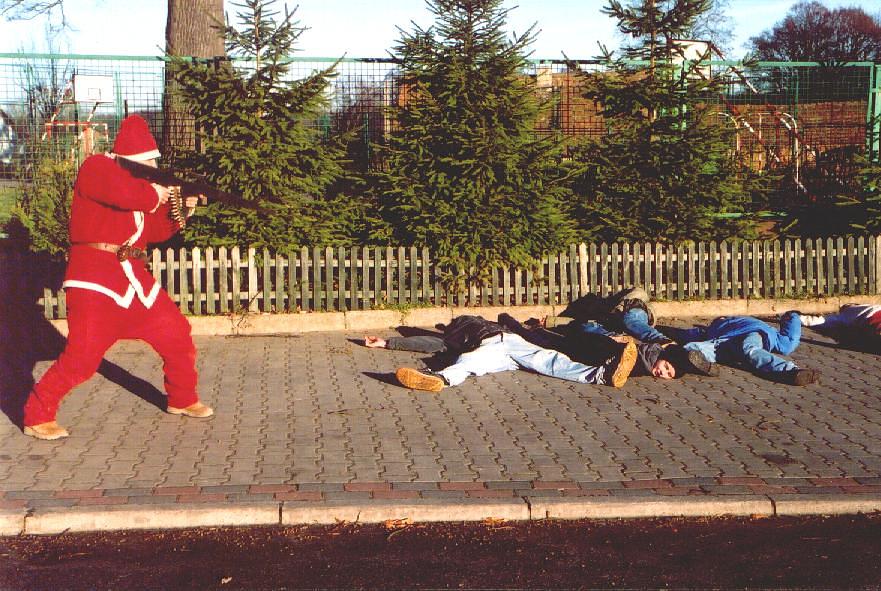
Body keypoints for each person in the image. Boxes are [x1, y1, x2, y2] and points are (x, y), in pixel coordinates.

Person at [22, 115, 213, 440]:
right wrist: (156, 193)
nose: (152, 170)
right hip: (94, 281)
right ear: (132, 160)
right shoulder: (98, 168)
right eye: (147, 164)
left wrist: (182, 207)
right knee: (82, 357)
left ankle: (182, 398)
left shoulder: (139, 188)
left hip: (135, 280)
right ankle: (37, 415)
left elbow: (153, 232)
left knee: (177, 334)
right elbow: (126, 194)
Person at [365, 314, 639, 392]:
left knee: (549, 360)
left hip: (510, 344)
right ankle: (438, 378)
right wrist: (388, 343)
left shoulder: (481, 324)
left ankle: (602, 375)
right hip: (495, 347)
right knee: (467, 361)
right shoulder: (452, 335)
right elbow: (428, 342)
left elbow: (429, 341)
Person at [495, 313, 714, 380]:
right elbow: (637, 360)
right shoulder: (650, 356)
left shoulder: (653, 356)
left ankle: (521, 326)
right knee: (541, 342)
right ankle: (509, 322)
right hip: (596, 349)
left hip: (596, 349)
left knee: (550, 340)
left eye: (667, 375)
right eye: (666, 367)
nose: (662, 373)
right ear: (665, 358)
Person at [670, 312, 820, 385]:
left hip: (747, 332)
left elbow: (692, 333)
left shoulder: (738, 323)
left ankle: (790, 371)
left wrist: (675, 337)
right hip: (727, 341)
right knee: (707, 348)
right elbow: (690, 333)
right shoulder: (715, 328)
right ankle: (686, 354)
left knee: (749, 349)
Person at [799, 304, 881, 351]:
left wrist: (799, 318)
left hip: (871, 322)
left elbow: (817, 321)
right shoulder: (870, 307)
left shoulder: (846, 314)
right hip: (872, 322)